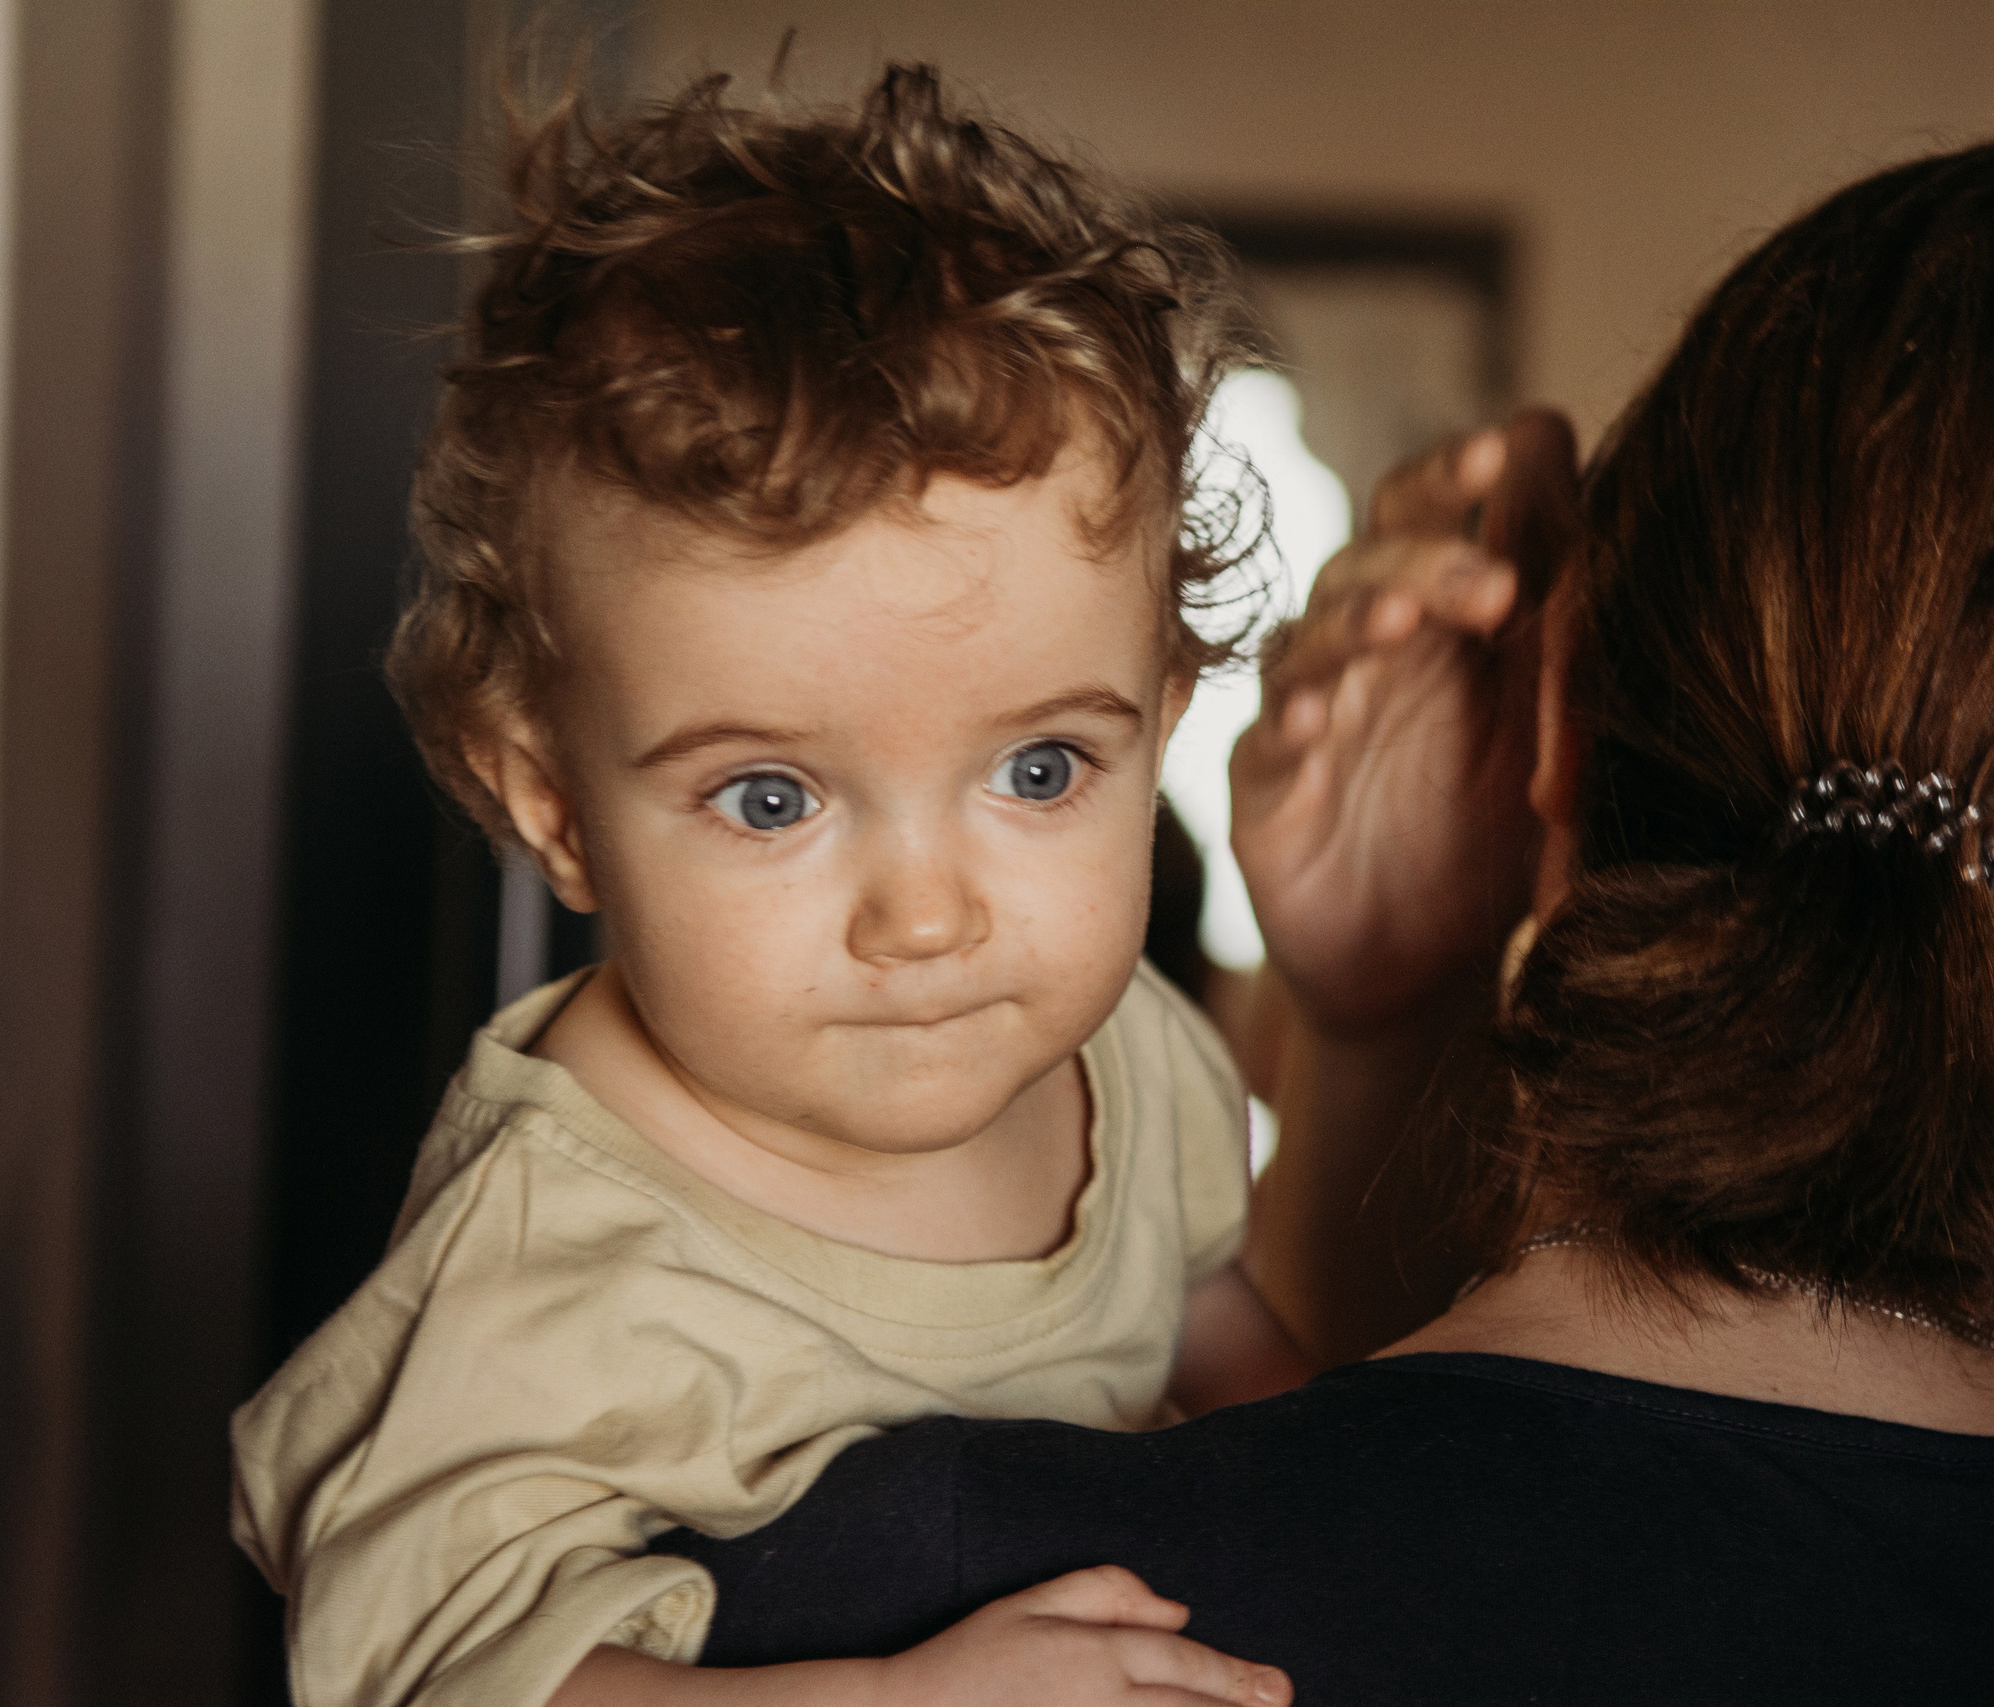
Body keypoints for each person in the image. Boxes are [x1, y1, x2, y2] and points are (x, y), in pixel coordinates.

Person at [648, 135, 1994, 1702]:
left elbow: (1436, 1530)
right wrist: (1371, 1027)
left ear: (1556, 709)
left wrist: (1377, 1028)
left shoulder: (899, 1615)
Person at [230, 66, 1309, 1707]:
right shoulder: (560, 1261)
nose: (928, 916)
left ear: (1160, 718)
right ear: (557, 806)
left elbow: (1215, 1327)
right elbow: (437, 1681)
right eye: (771, 796)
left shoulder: (1127, 1057)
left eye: (1038, 772)